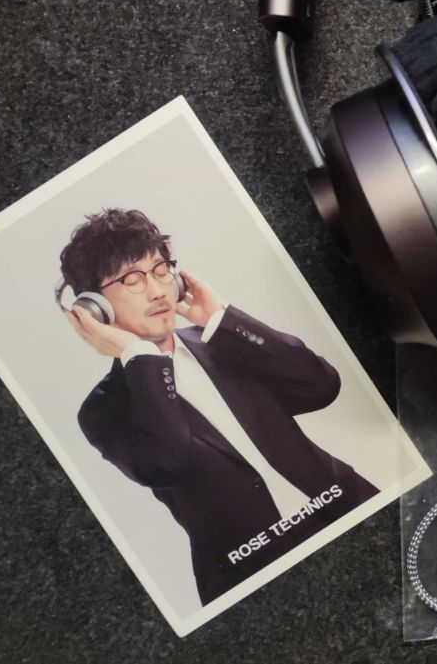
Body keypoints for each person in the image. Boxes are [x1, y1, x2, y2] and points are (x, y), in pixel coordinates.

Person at [58, 208, 378, 604]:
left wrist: (223, 319)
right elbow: (168, 463)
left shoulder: (222, 340)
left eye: (160, 270)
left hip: (351, 508)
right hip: (254, 575)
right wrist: (140, 357)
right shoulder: (102, 410)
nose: (157, 291)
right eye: (133, 280)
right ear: (94, 308)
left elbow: (322, 386)